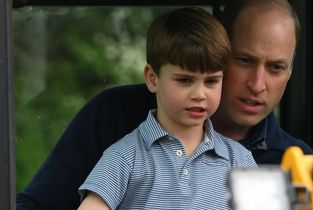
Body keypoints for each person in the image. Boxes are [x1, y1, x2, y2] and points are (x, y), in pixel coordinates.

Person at [16, 0, 313, 210]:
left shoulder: (292, 163)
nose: (258, 83)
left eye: (276, 67)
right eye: (245, 60)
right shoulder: (118, 128)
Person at [77, 7, 256, 210]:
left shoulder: (240, 160)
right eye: (185, 80)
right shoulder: (124, 157)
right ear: (152, 79)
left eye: (211, 81)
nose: (199, 94)